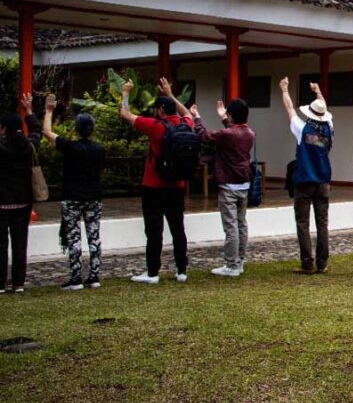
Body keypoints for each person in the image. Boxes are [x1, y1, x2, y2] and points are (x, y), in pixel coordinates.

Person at [120, 79, 194, 284]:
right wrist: (171, 94)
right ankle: (181, 270)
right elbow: (187, 113)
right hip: (177, 186)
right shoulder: (184, 124)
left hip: (153, 185)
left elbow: (125, 114)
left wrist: (125, 93)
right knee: (178, 228)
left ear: (160, 110)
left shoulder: (155, 126)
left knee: (154, 230)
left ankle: (152, 272)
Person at [42, 93, 105, 290]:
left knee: (74, 237)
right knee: (94, 236)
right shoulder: (99, 149)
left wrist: (48, 111)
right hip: (93, 196)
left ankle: (76, 276)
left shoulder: (70, 147)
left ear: (76, 129)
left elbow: (46, 131)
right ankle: (94, 275)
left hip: (72, 197)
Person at [186, 98, 255, 277]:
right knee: (241, 224)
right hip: (244, 184)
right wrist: (225, 118)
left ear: (231, 116)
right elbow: (232, 132)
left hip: (228, 185)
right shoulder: (250, 133)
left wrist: (197, 117)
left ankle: (231, 265)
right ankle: (239, 261)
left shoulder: (228, 134)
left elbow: (204, 136)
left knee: (230, 226)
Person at [279, 77, 333, 275]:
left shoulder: (302, 129)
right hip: (323, 180)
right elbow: (323, 109)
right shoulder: (330, 129)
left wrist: (285, 89)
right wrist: (318, 92)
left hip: (304, 180)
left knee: (303, 223)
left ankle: (307, 262)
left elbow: (289, 109)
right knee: (322, 224)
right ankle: (322, 263)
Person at [0, 94, 40, 294]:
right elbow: (36, 131)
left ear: (3, 128)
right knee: (20, 243)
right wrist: (29, 111)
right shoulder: (28, 146)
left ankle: (0, 282)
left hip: (2, 202)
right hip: (23, 202)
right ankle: (18, 283)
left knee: (1, 244)